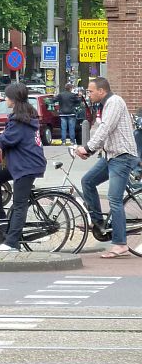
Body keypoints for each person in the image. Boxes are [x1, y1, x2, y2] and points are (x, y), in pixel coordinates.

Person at [0, 81, 46, 252]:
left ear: (13, 99)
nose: (4, 98)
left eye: (7, 96)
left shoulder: (20, 119)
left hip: (26, 166)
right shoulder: (23, 116)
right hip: (20, 164)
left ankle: (12, 243)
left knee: (19, 203)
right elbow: (4, 135)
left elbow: (5, 141)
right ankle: (1, 220)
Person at [76, 77, 138, 258]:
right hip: (110, 155)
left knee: (114, 199)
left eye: (90, 91)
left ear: (101, 91)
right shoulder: (104, 105)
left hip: (122, 156)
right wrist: (89, 151)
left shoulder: (114, 102)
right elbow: (101, 133)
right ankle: (99, 223)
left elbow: (105, 129)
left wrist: (87, 148)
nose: (88, 94)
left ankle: (120, 244)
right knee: (87, 181)